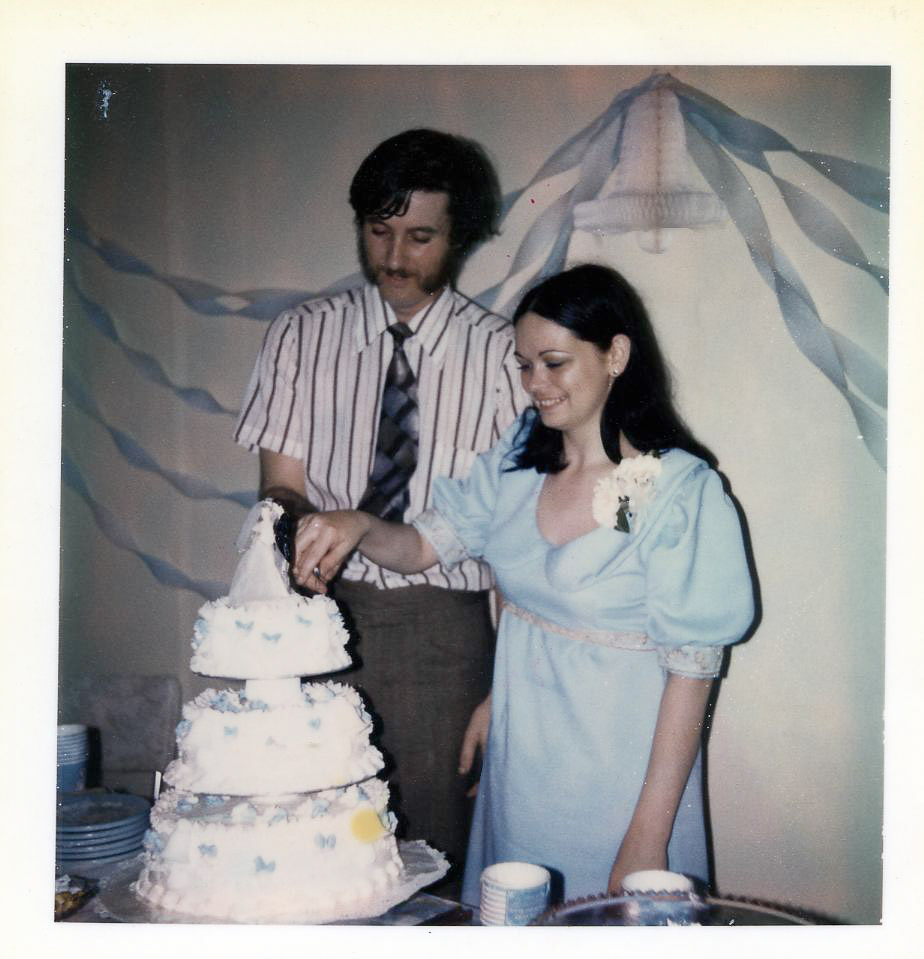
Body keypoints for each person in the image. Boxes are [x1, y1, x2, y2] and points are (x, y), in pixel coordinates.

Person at [291, 263, 756, 904]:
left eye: (554, 363)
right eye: (524, 365)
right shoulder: (520, 461)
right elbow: (423, 547)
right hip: (523, 761)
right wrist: (361, 525)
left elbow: (692, 671)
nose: (535, 383)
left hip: (621, 772)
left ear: (616, 355)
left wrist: (649, 833)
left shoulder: (667, 487)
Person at [234, 128, 528, 877]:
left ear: (458, 239)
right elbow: (280, 487)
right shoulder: (301, 334)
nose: (395, 256)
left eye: (421, 237)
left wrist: (504, 685)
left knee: (429, 852)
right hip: (322, 617)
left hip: (444, 629)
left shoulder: (503, 355)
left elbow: (514, 537)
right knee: (322, 847)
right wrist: (302, 532)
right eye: (378, 231)